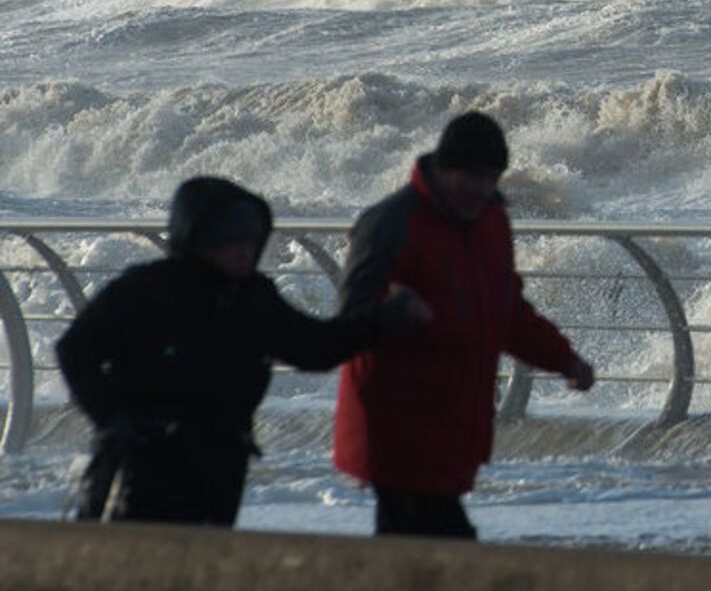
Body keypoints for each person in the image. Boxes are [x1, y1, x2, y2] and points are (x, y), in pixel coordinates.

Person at [56, 175, 429, 526]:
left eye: (251, 239)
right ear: (197, 237)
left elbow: (314, 348)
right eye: (230, 239)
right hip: (142, 462)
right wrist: (112, 419)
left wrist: (383, 320)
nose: (245, 250)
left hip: (220, 466)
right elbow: (74, 350)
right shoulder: (144, 289)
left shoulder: (253, 297)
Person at [333, 111, 595, 539]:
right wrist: (396, 310)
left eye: (491, 177)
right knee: (442, 554)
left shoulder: (491, 221)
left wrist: (565, 360)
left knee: (418, 563)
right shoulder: (391, 223)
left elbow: (507, 310)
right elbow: (350, 319)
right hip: (397, 427)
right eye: (471, 176)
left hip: (453, 424)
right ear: (443, 169)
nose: (481, 188)